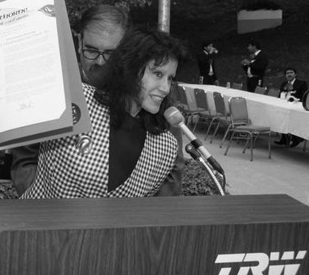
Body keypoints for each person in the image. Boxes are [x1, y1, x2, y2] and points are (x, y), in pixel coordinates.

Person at [23, 27, 188, 199]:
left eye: (170, 78)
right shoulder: (76, 101)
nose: (165, 88)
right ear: (130, 68)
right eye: (158, 74)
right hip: (33, 222)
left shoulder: (165, 147)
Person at [274, 67, 308, 147]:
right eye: (287, 73)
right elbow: (280, 95)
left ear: (295, 74)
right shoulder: (283, 84)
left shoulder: (302, 83)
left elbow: (303, 96)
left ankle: (296, 138)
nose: (289, 74)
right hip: (284, 105)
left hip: (296, 106)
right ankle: (284, 139)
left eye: (291, 72)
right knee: (280, 116)